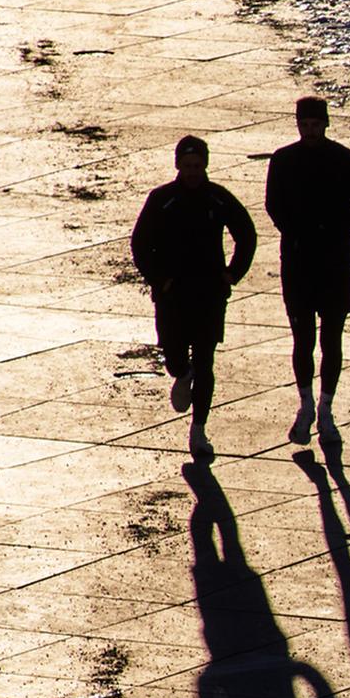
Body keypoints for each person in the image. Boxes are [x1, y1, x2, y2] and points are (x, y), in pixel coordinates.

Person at [131, 135, 256, 458]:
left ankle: (198, 430)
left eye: (197, 166)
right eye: (187, 166)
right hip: (173, 295)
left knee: (205, 361)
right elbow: (141, 244)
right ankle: (181, 374)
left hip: (209, 294)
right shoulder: (161, 199)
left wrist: (232, 273)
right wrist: (160, 280)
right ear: (177, 165)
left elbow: (246, 233)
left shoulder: (218, 198)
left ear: (206, 165)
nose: (192, 172)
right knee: (173, 355)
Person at [265, 96, 350, 444]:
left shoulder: (344, 160)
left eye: (316, 124)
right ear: (298, 124)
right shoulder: (284, 160)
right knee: (303, 339)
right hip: (300, 261)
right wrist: (298, 233)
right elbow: (273, 205)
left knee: (332, 339)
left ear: (326, 124)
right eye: (305, 124)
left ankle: (326, 409)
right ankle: (306, 405)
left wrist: (340, 230)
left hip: (335, 262)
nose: (310, 130)